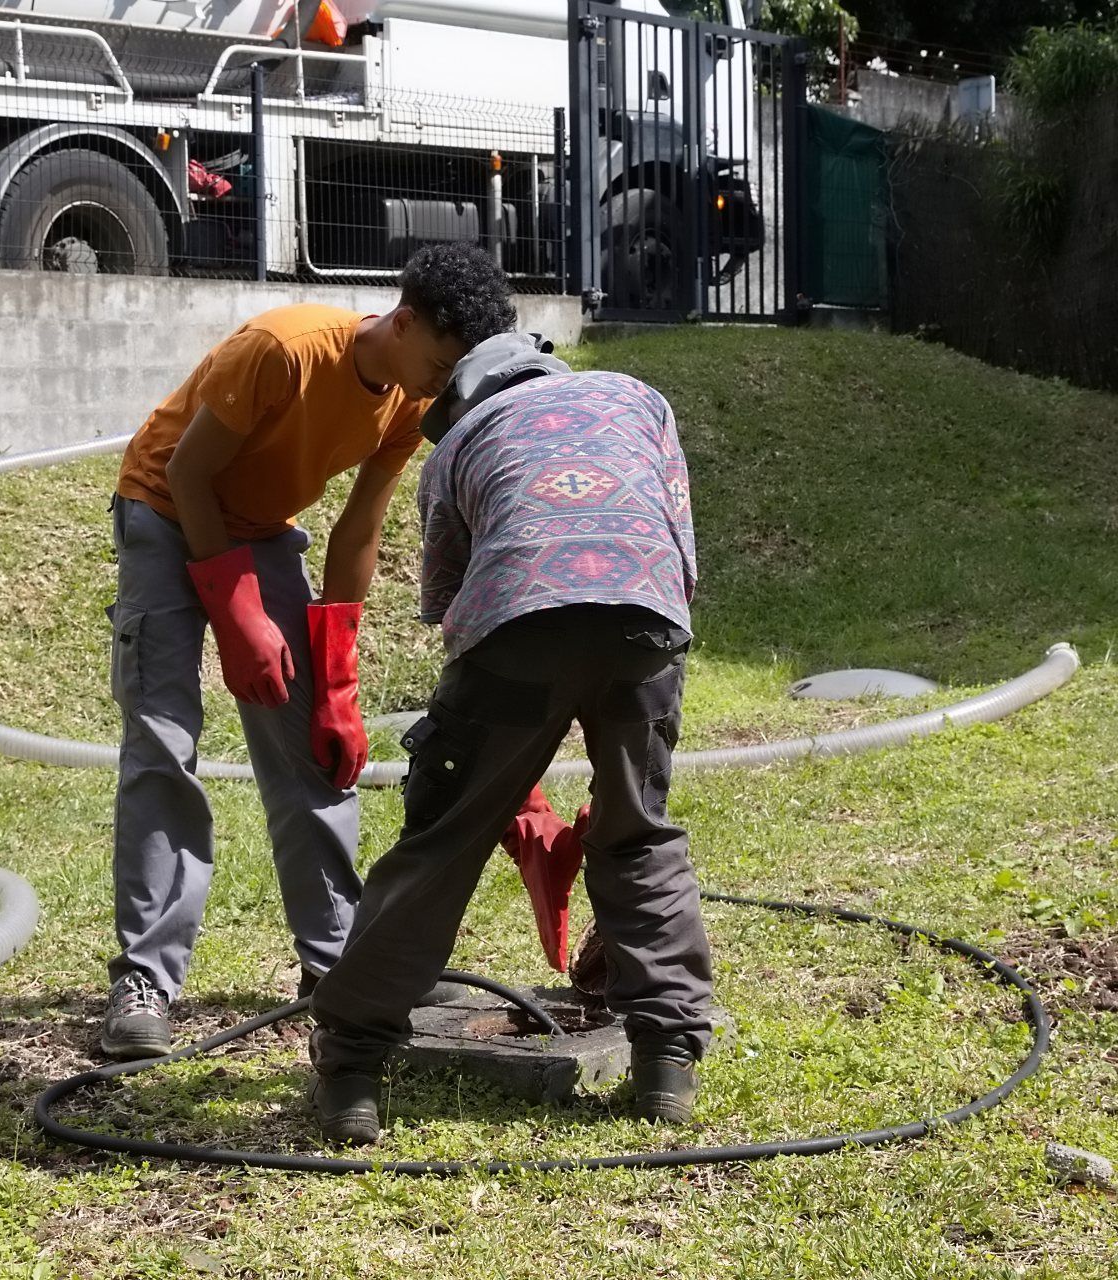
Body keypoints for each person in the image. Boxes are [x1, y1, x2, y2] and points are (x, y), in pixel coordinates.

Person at [100, 244, 519, 1060]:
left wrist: (335, 673)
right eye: (437, 361)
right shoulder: (284, 350)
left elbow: (358, 528)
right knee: (163, 741)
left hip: (258, 534)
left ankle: (334, 963)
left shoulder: (405, 402)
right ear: (402, 322)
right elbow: (189, 476)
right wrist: (235, 613)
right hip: (161, 513)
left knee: (317, 754)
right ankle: (143, 983)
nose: (439, 385)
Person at [307, 331, 715, 1142]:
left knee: (441, 844)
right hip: (648, 620)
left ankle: (352, 1064)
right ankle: (665, 1060)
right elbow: (679, 541)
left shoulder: (459, 442)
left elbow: (449, 601)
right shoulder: (636, 397)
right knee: (639, 833)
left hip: (515, 631)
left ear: (462, 397)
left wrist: (484, 766)